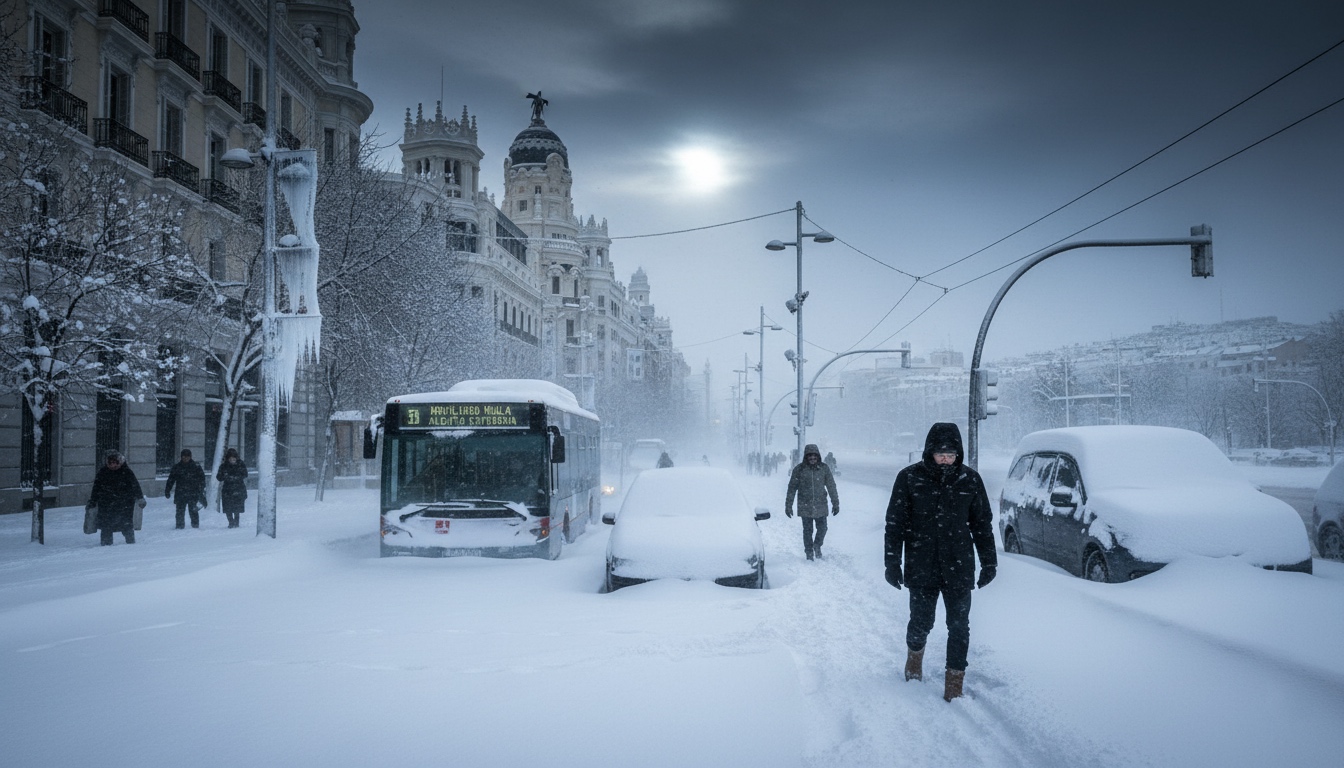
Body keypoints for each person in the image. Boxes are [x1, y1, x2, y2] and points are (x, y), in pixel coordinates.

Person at [884, 422, 997, 702]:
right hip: (921, 565)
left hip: (959, 566)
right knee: (921, 622)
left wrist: (989, 562)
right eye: (940, 453)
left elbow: (982, 525)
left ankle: (954, 684)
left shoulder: (970, 480)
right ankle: (914, 660)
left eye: (951, 453)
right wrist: (891, 563)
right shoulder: (909, 478)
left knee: (959, 626)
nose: (946, 459)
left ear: (958, 453)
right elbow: (894, 524)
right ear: (929, 452)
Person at [785, 443, 839, 560]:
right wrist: (788, 505)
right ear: (806, 456)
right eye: (810, 456)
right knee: (808, 531)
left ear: (818, 456)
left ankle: (817, 545)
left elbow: (831, 486)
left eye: (814, 456)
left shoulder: (824, 468)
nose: (812, 458)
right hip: (805, 505)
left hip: (821, 505)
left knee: (823, 528)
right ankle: (809, 552)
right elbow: (791, 488)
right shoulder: (799, 469)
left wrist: (836, 503)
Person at [86, 450, 145, 546]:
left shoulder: (126, 472)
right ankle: (106, 544)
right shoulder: (103, 472)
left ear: (119, 462)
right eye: (110, 463)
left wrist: (140, 498)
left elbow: (135, 485)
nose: (112, 465)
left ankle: (130, 543)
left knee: (126, 524)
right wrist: (93, 500)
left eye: (115, 463)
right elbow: (96, 488)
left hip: (124, 504)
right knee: (106, 525)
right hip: (106, 504)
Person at [164, 449, 206, 529]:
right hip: (181, 493)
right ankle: (179, 526)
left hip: (193, 493)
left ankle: (195, 526)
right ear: (181, 457)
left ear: (190, 457)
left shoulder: (196, 467)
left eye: (187, 457)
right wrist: (167, 490)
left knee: (193, 510)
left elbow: (202, 479)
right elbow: (171, 480)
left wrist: (201, 489)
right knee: (180, 511)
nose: (185, 458)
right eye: (184, 457)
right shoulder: (177, 467)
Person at [216, 448, 248, 529]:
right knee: (228, 508)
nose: (232, 461)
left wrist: (235, 477)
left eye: (234, 459)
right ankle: (231, 522)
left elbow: (245, 474)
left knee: (237, 507)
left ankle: (236, 522)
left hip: (238, 488)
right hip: (228, 489)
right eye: (230, 459)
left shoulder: (241, 464)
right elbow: (219, 477)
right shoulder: (223, 466)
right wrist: (225, 476)